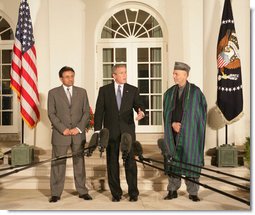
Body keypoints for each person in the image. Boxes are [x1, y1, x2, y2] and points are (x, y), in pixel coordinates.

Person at [94, 64, 145, 202]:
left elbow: (139, 105)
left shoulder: (132, 90)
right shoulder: (104, 90)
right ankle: (116, 194)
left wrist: (141, 112)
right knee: (112, 163)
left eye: (125, 72)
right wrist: (98, 132)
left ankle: (133, 193)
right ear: (114, 75)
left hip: (127, 133)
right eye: (121, 73)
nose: (124, 75)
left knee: (130, 163)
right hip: (111, 133)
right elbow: (99, 111)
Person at [162, 62, 207, 202]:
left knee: (190, 160)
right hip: (173, 133)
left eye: (176, 73)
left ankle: (193, 192)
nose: (174, 76)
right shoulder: (169, 93)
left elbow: (201, 115)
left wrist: (187, 127)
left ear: (185, 75)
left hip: (190, 134)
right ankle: (172, 190)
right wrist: (172, 124)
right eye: (174, 73)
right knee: (173, 160)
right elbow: (166, 114)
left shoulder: (195, 92)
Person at [47, 66, 92, 203]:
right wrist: (63, 129)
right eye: (67, 76)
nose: (70, 79)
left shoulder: (82, 92)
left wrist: (78, 128)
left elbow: (86, 113)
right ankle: (55, 193)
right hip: (61, 135)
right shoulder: (53, 93)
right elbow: (51, 113)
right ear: (61, 78)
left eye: (72, 76)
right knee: (58, 164)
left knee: (79, 164)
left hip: (78, 134)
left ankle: (82, 191)